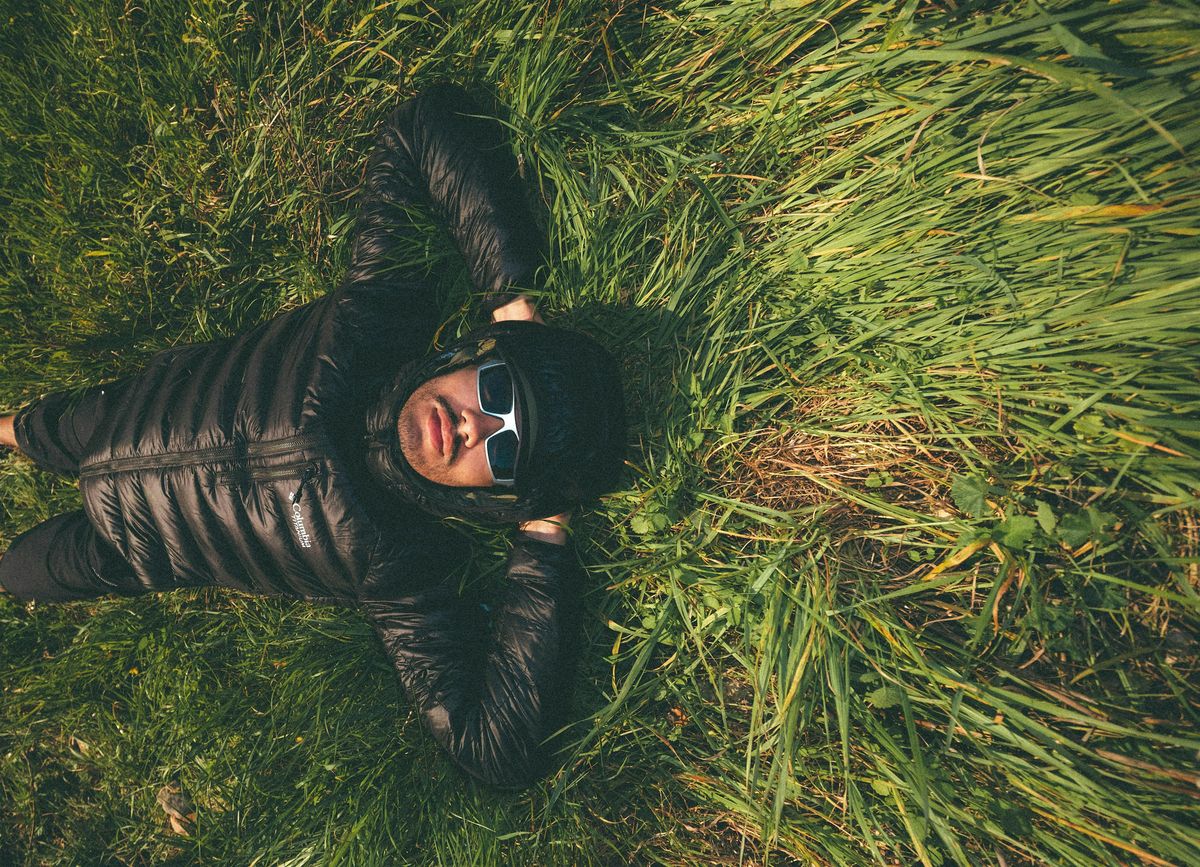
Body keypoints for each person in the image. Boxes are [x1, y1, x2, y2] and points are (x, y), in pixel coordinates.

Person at [0, 84, 626, 790]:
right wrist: (509, 295)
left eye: (504, 450)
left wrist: (543, 541)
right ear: (475, 354)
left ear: (499, 500)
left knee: (17, 573)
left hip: (137, 547)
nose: (472, 424)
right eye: (496, 390)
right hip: (127, 413)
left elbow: (493, 750)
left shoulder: (402, 570)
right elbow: (417, 127)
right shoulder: (381, 311)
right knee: (36, 428)